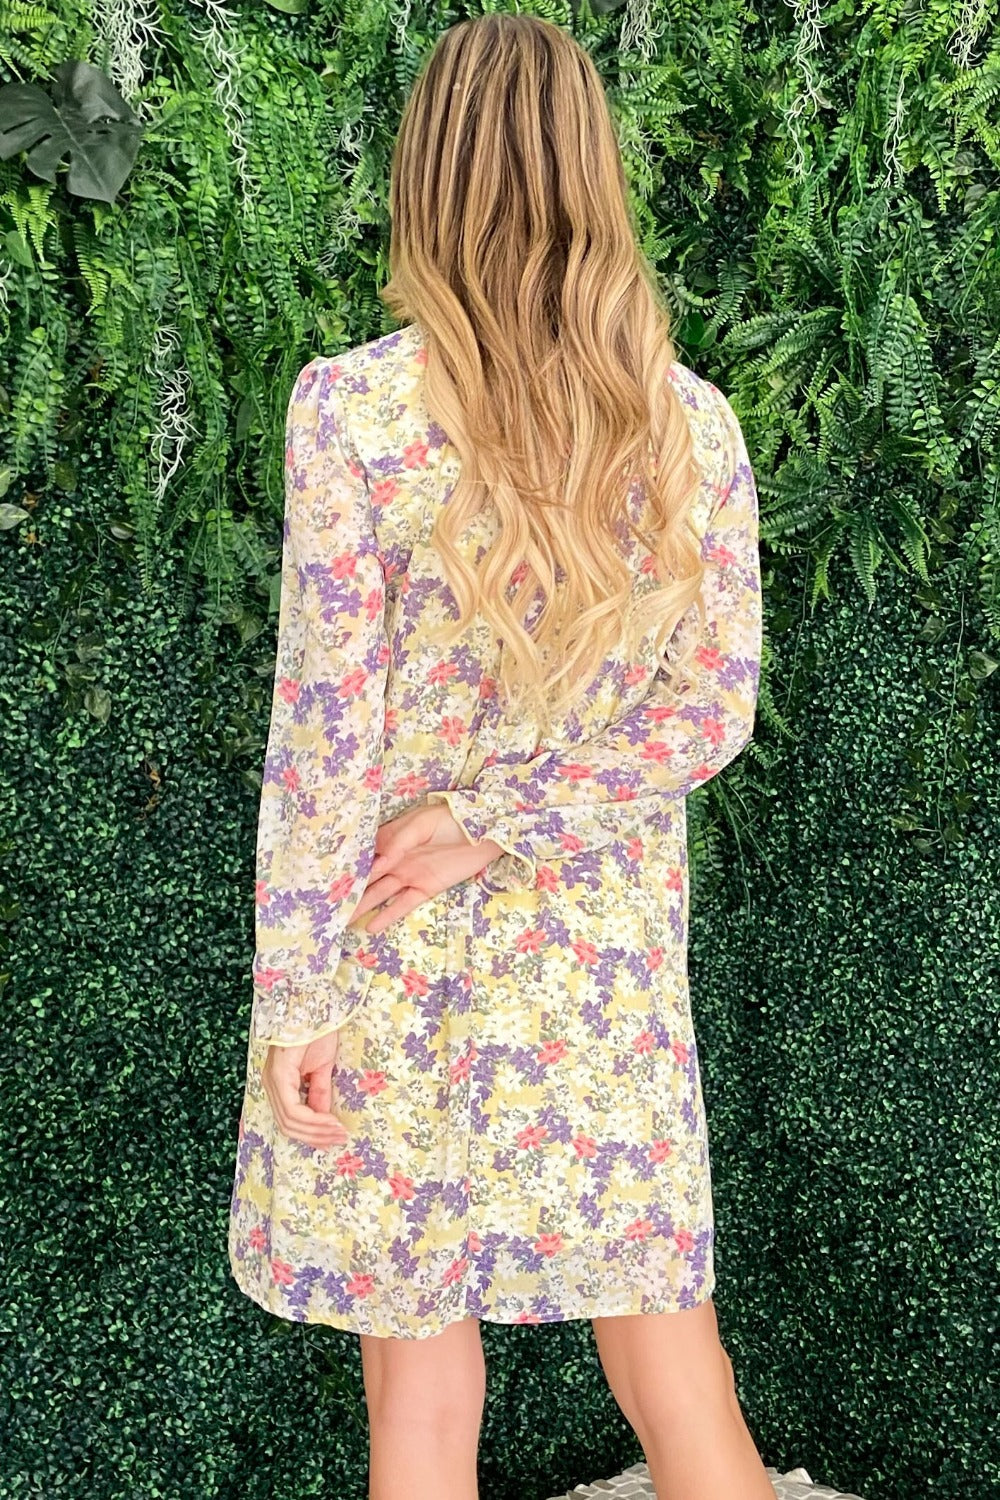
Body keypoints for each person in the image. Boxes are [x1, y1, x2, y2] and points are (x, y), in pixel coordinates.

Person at [229, 13, 772, 1500]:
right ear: (594, 174)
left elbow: (321, 736)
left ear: (430, 180)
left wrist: (300, 997)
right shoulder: (690, 429)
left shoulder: (354, 413)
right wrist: (512, 816)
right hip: (600, 957)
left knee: (417, 1376)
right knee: (673, 1354)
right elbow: (708, 710)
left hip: (394, 943)